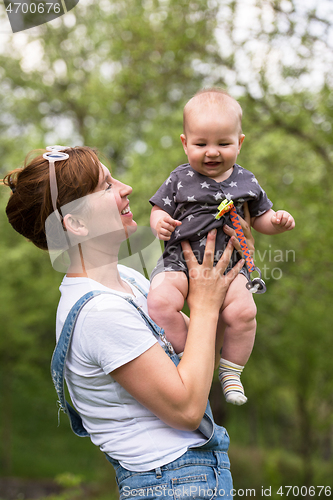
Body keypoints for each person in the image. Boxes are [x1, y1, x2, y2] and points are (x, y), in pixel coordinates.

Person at [2, 145, 255, 499]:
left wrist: (229, 287)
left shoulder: (128, 281)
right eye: (106, 186)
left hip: (191, 478)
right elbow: (186, 408)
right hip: (169, 485)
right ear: (75, 223)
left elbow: (197, 349)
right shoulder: (98, 313)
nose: (126, 188)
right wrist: (206, 306)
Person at [148, 88, 295, 405]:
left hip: (230, 266)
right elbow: (159, 207)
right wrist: (158, 221)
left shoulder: (247, 181)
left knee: (244, 313)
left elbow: (260, 218)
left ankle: (230, 370)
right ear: (185, 143)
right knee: (160, 302)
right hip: (179, 261)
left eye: (223, 144)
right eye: (201, 144)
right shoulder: (179, 179)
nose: (211, 152)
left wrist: (277, 222)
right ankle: (188, 353)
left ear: (239, 143)